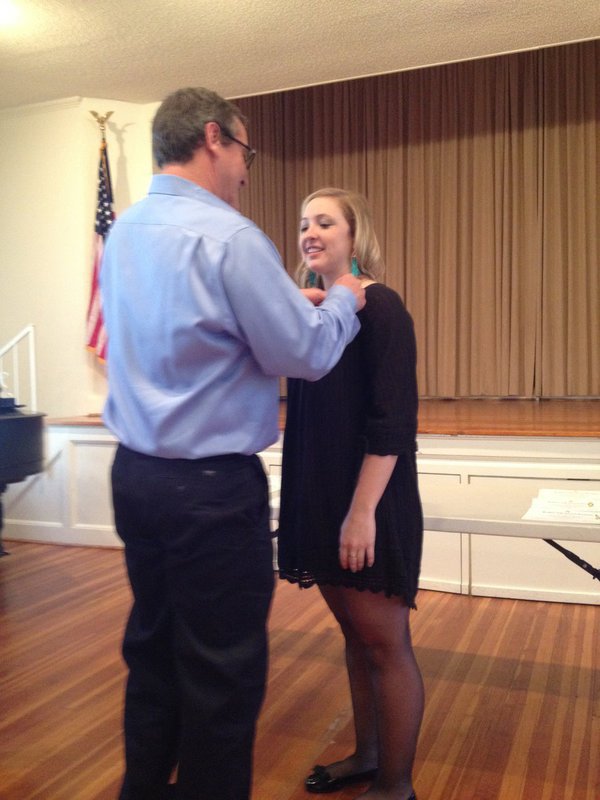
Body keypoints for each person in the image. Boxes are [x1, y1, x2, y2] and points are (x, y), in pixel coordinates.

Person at [100, 89, 366, 800]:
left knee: (153, 656)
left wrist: (283, 303)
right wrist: (342, 298)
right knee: (223, 676)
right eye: (246, 152)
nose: (247, 170)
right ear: (215, 138)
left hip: (133, 477)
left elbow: (188, 327)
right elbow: (303, 355)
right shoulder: (230, 238)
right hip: (209, 492)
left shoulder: (123, 230)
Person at [277, 188, 424, 800]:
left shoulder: (381, 308)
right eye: (305, 223)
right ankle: (368, 755)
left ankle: (394, 787)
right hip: (319, 499)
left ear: (354, 234)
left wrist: (361, 512)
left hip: (367, 504)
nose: (310, 232)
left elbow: (392, 424)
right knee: (356, 639)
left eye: (325, 222)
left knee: (384, 644)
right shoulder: (310, 312)